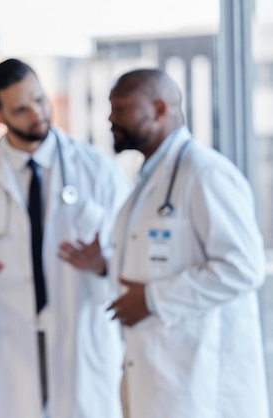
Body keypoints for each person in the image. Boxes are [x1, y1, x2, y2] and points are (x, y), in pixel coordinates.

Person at [0, 58, 131, 418]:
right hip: (6, 348)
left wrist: (104, 262)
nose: (38, 114)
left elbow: (133, 255)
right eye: (21, 109)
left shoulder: (97, 170)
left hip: (80, 339)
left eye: (40, 100)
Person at [106, 68, 269, 418]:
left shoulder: (205, 173)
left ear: (160, 109)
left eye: (121, 108)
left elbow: (244, 268)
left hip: (203, 386)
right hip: (158, 379)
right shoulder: (149, 181)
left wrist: (151, 299)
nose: (110, 117)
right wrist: (103, 263)